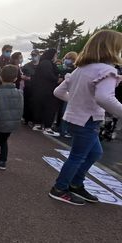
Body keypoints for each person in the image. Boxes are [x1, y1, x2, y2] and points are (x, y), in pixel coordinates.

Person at [49, 30, 122, 205]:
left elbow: (58, 91)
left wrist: (75, 101)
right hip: (88, 119)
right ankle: (60, 188)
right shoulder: (106, 70)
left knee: (95, 152)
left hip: (76, 118)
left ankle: (75, 184)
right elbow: (105, 98)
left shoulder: (79, 70)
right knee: (78, 156)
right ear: (111, 48)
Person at [31, 48, 61, 136]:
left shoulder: (43, 62)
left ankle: (38, 124)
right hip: (48, 91)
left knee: (39, 108)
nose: (56, 57)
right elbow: (48, 75)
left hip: (40, 90)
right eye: (55, 55)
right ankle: (47, 128)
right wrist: (57, 79)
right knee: (49, 109)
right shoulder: (47, 63)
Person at [57, 51, 78, 138]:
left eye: (69, 59)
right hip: (67, 93)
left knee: (65, 111)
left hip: (68, 92)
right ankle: (63, 130)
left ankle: (63, 129)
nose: (67, 60)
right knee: (64, 111)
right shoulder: (65, 69)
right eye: (66, 58)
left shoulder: (74, 70)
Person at [22, 49, 40, 125]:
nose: (33, 56)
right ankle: (26, 119)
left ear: (39, 55)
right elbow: (21, 74)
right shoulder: (26, 66)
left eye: (35, 55)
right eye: (32, 55)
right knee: (26, 104)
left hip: (37, 89)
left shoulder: (41, 66)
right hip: (28, 88)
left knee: (35, 105)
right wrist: (24, 77)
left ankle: (33, 120)